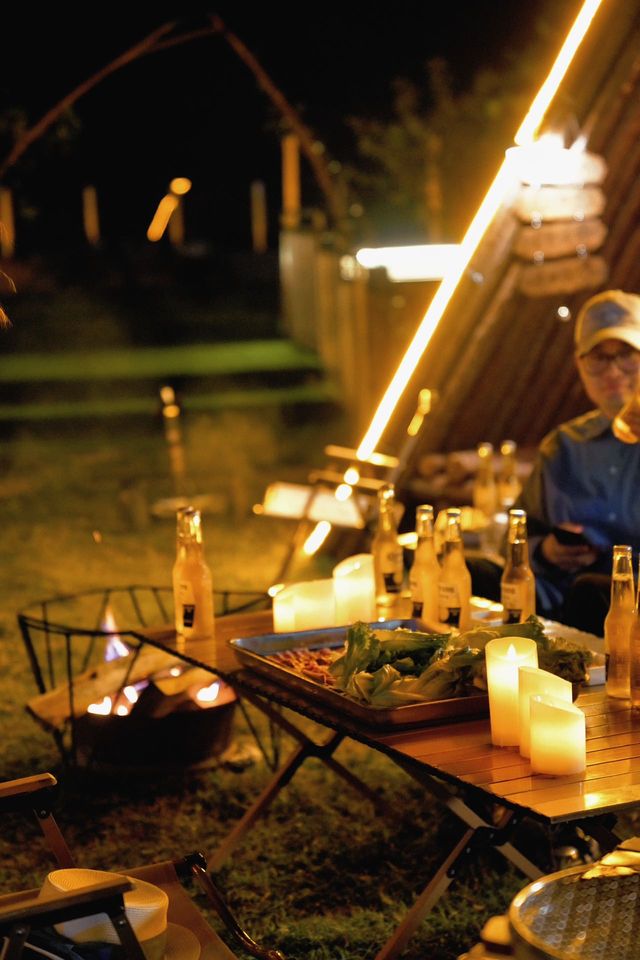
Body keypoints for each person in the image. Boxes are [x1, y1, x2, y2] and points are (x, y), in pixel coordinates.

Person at [517, 289, 640, 635]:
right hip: (564, 617)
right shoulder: (563, 446)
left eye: (626, 354)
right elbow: (516, 537)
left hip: (631, 617)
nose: (613, 370)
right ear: (580, 365)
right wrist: (546, 551)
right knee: (479, 573)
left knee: (594, 591)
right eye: (598, 357)